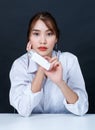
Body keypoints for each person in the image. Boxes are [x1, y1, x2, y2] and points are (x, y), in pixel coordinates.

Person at [9, 11, 88, 117]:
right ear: (29, 38)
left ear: (56, 38)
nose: (43, 41)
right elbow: (23, 109)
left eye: (49, 34)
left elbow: (82, 108)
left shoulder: (69, 60)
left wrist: (60, 82)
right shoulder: (20, 65)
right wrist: (41, 67)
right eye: (36, 34)